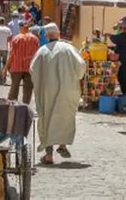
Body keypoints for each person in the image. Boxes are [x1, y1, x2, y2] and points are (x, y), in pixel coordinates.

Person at [30, 23, 86, 164]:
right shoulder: (69, 48)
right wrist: (75, 77)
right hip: (68, 89)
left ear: (46, 36)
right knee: (65, 117)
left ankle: (49, 155)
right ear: (58, 34)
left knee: (47, 117)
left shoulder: (42, 51)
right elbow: (81, 65)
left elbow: (33, 70)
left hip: (47, 91)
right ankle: (62, 145)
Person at [3, 20, 39, 104]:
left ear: (21, 28)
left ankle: (12, 106)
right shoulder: (35, 39)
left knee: (14, 88)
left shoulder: (16, 38)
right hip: (30, 68)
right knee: (28, 90)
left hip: (16, 67)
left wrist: (5, 68)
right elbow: (37, 54)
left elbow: (11, 54)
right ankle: (25, 107)